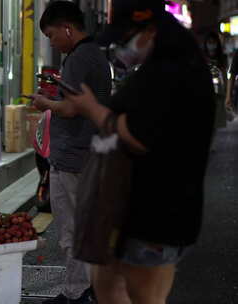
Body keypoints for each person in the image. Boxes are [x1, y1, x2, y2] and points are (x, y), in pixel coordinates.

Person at [33, 0, 215, 303]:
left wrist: (91, 110)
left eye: (124, 38)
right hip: (141, 209)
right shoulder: (169, 63)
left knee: (143, 294)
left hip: (158, 214)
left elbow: (144, 135)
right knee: (111, 283)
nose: (121, 47)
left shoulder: (172, 70)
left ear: (149, 30)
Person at [33, 2, 112, 303]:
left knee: (72, 231)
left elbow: (72, 107)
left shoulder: (78, 59)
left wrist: (45, 103)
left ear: (67, 28)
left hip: (74, 157)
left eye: (52, 35)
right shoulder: (95, 56)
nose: (52, 42)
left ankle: (77, 293)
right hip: (90, 153)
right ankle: (87, 289)